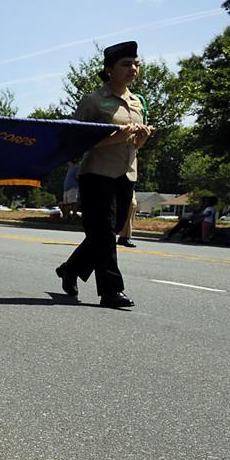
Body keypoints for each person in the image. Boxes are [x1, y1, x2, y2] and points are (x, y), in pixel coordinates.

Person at [56, 41, 153, 308]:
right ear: (109, 69)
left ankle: (70, 269)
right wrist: (114, 138)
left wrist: (142, 138)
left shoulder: (138, 102)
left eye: (136, 64)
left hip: (126, 174)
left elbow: (133, 145)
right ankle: (111, 291)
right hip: (97, 174)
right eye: (126, 64)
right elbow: (76, 142)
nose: (133, 69)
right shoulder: (93, 101)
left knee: (110, 230)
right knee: (104, 234)